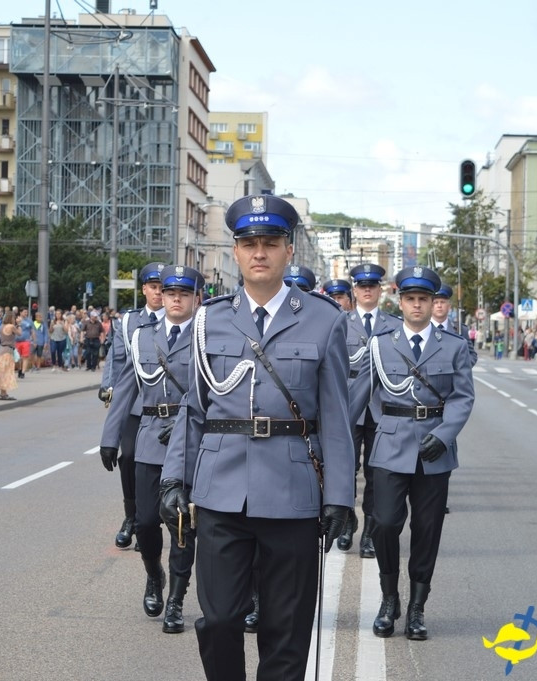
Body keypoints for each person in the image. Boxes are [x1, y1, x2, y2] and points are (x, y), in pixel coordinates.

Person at [158, 194, 354, 681]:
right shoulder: (209, 319)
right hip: (221, 491)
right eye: (249, 244)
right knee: (220, 619)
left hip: (293, 495)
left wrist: (340, 497)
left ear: (289, 250)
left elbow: (336, 418)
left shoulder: (325, 319)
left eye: (270, 243)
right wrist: (174, 478)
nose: (259, 252)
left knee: (286, 629)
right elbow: (194, 408)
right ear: (237, 251)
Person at [349, 266, 475, 640]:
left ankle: (417, 608)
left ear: (433, 303)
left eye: (423, 299)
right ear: (400, 302)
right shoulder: (380, 344)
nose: (417, 305)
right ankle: (390, 598)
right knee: (385, 522)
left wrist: (445, 434)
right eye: (410, 299)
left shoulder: (453, 346)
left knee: (427, 529)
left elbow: (462, 397)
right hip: (390, 444)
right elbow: (357, 397)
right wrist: (332, 441)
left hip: (434, 449)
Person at [101, 265, 203, 633]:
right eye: (170, 293)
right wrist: (110, 438)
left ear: (196, 299)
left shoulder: (206, 337)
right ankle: (153, 574)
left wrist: (188, 421)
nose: (174, 299)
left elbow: (213, 391)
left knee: (181, 524)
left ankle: (175, 600)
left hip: (188, 442)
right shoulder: (143, 337)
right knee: (145, 522)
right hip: (148, 439)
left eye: (183, 294)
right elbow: (126, 387)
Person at [101, 262, 167, 550]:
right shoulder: (129, 321)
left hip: (164, 404)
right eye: (153, 287)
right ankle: (131, 517)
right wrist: (107, 386)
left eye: (163, 288)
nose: (158, 293)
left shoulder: (178, 319)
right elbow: (117, 359)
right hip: (135, 403)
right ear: (144, 289)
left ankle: (150, 521)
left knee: (160, 463)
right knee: (128, 456)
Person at [347, 262, 400, 559]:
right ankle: (347, 521)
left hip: (382, 407)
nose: (367, 290)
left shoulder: (393, 325)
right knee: (346, 468)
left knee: (376, 474)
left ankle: (369, 533)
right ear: (354, 291)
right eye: (362, 286)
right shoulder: (341, 323)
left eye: (372, 286)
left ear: (380, 291)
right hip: (349, 407)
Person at [0, 311, 18, 401]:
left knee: (2, 372)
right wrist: (19, 324)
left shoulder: (1, 326)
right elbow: (19, 333)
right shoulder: (11, 326)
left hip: (1, 350)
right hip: (8, 351)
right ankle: (4, 393)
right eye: (14, 318)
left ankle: (3, 393)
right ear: (11, 318)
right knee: (7, 372)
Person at [15, 309, 34, 378]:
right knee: (17, 358)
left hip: (26, 340)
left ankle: (23, 372)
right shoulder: (16, 320)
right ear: (20, 313)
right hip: (17, 341)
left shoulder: (29, 321)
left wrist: (34, 341)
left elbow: (32, 331)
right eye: (24, 312)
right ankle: (19, 369)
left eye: (26, 312)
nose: (26, 313)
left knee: (25, 357)